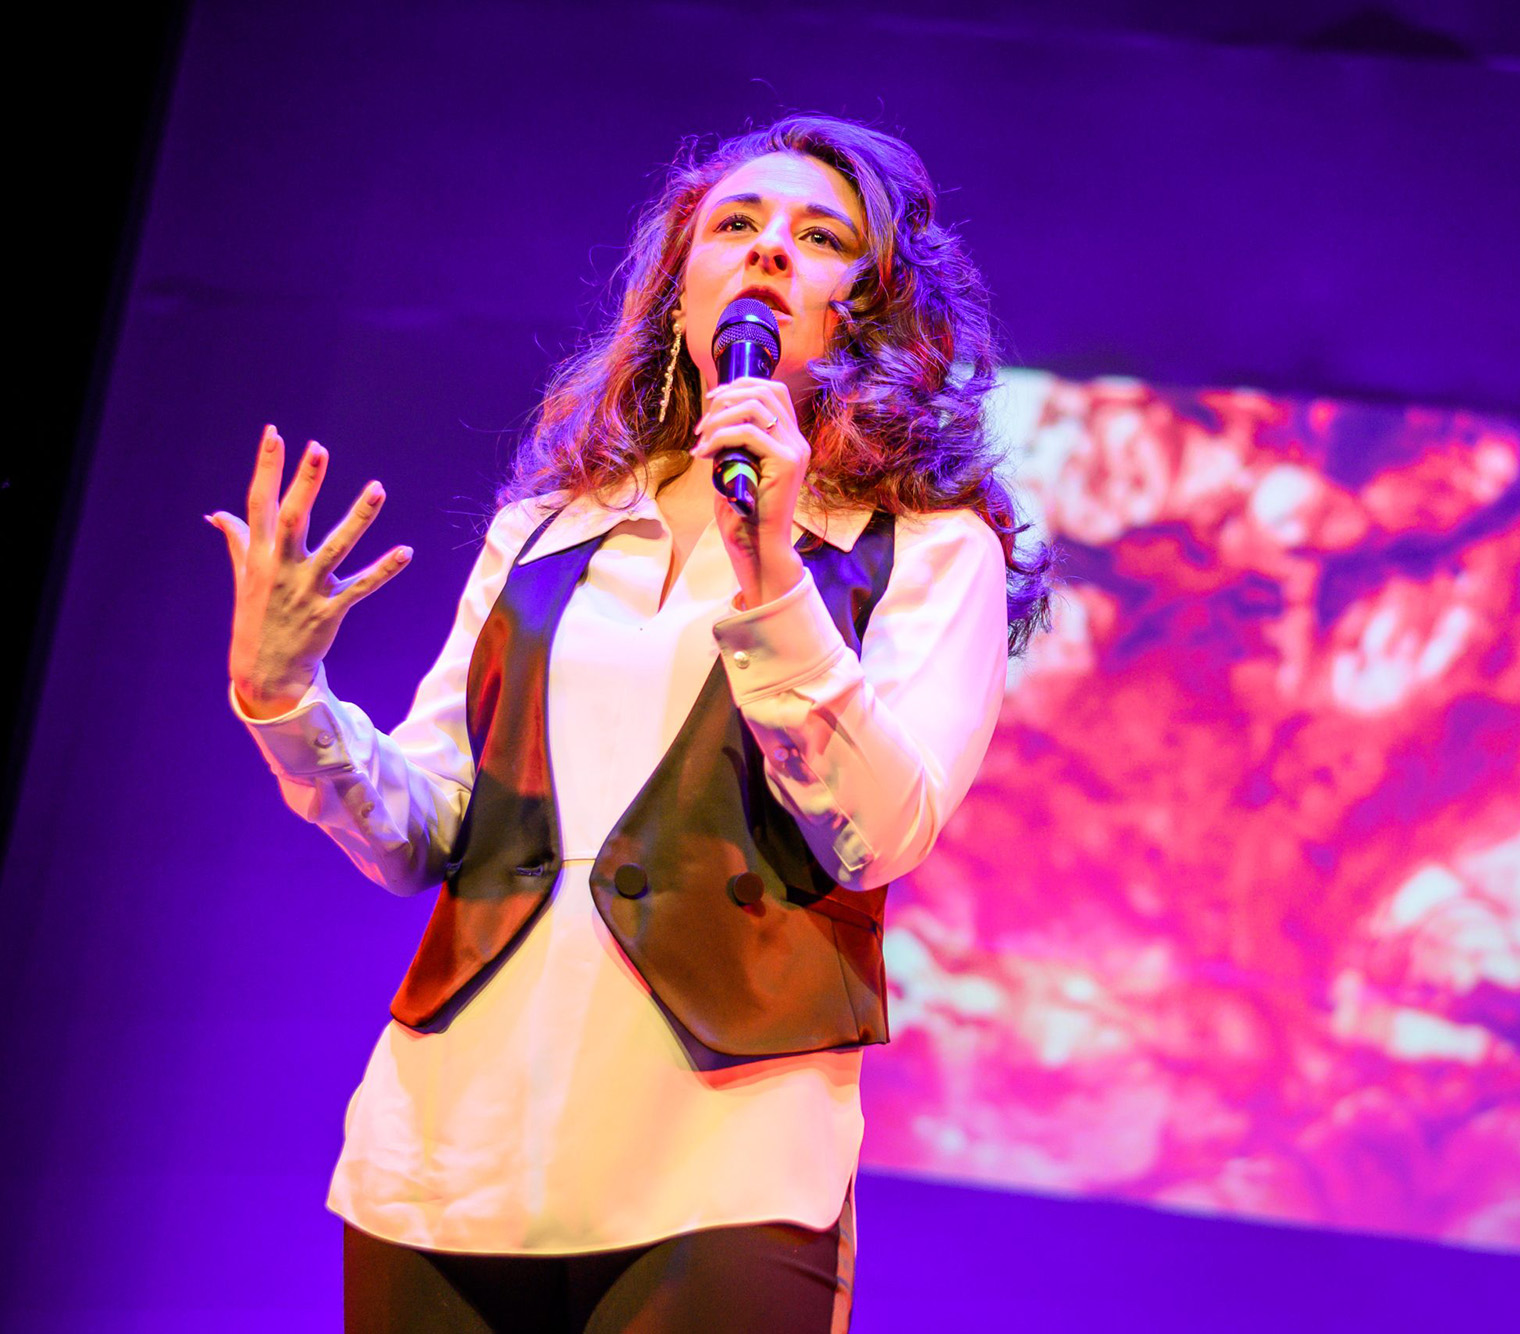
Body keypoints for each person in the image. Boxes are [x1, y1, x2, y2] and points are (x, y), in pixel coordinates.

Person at [208, 114, 1050, 1333]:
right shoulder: (552, 528)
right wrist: (288, 697)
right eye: (736, 227)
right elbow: (427, 825)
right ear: (681, 284)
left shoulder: (924, 550)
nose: (769, 251)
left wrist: (774, 576)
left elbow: (876, 831)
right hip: (448, 1154)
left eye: (819, 239)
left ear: (867, 309)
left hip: (717, 1164)